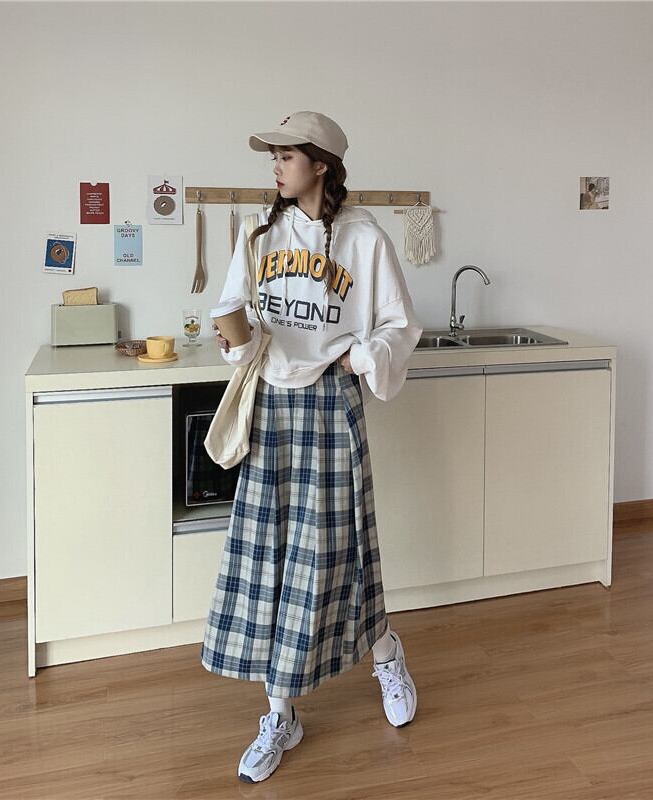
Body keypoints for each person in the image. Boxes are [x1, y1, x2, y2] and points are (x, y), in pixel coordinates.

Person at [199, 111, 425, 784]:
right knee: (270, 555)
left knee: (340, 548)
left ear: (321, 164)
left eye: (287, 156)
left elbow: (401, 324)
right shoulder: (257, 233)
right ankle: (280, 715)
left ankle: (386, 653)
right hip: (270, 401)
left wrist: (363, 356)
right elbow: (235, 313)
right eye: (272, 156)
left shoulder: (364, 238)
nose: (275, 167)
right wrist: (235, 337)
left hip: (330, 399)